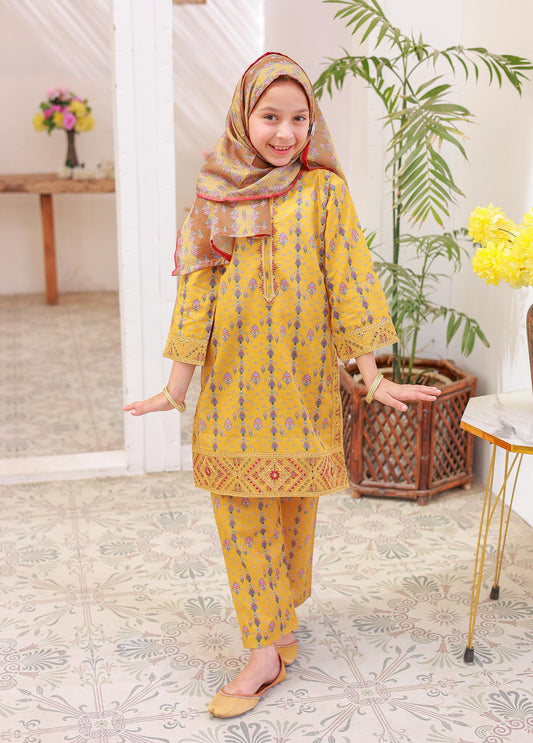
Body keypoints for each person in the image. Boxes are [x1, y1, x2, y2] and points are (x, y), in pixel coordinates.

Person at [123, 52, 440, 718]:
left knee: (293, 518)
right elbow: (196, 300)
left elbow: (349, 280)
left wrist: (372, 376)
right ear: (244, 116)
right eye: (271, 116)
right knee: (242, 523)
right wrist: (174, 389)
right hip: (235, 397)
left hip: (303, 394)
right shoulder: (214, 194)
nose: (284, 132)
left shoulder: (322, 191)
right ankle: (263, 649)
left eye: (298, 118)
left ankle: (280, 622)